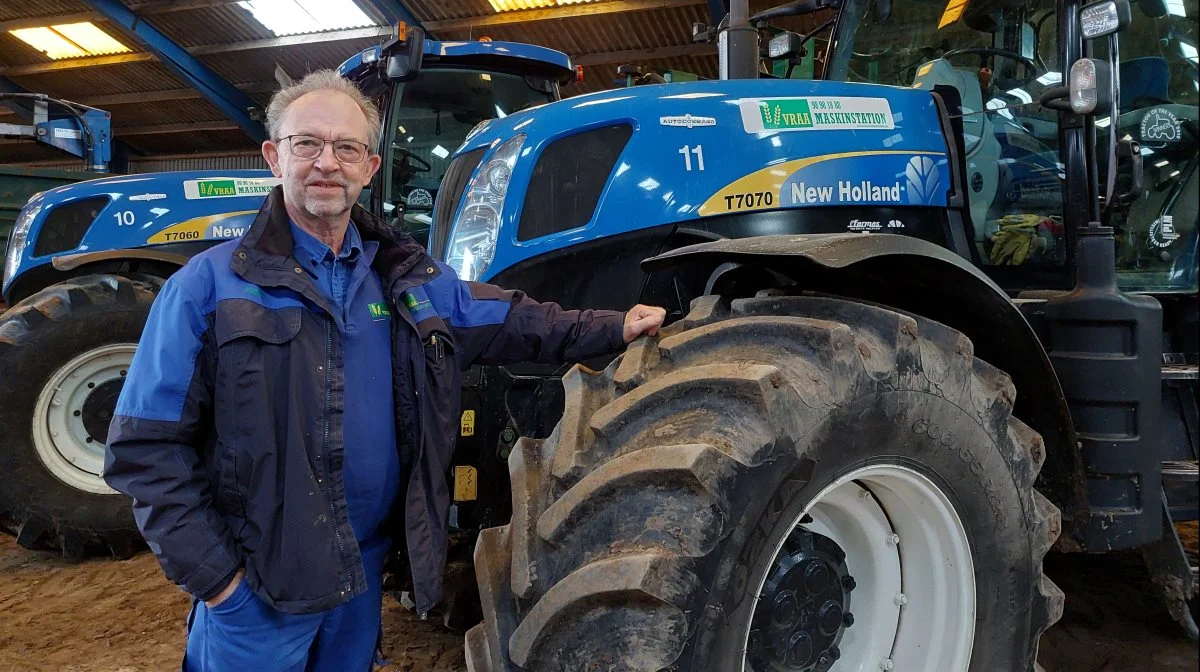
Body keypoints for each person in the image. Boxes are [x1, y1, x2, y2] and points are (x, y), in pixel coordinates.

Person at [102, 69, 666, 671]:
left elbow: (509, 320)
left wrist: (613, 326)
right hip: (261, 593)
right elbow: (146, 450)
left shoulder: (404, 280)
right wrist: (221, 585)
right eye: (306, 144)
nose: (326, 163)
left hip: (362, 576)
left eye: (346, 148)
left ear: (369, 168)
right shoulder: (208, 288)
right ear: (274, 157)